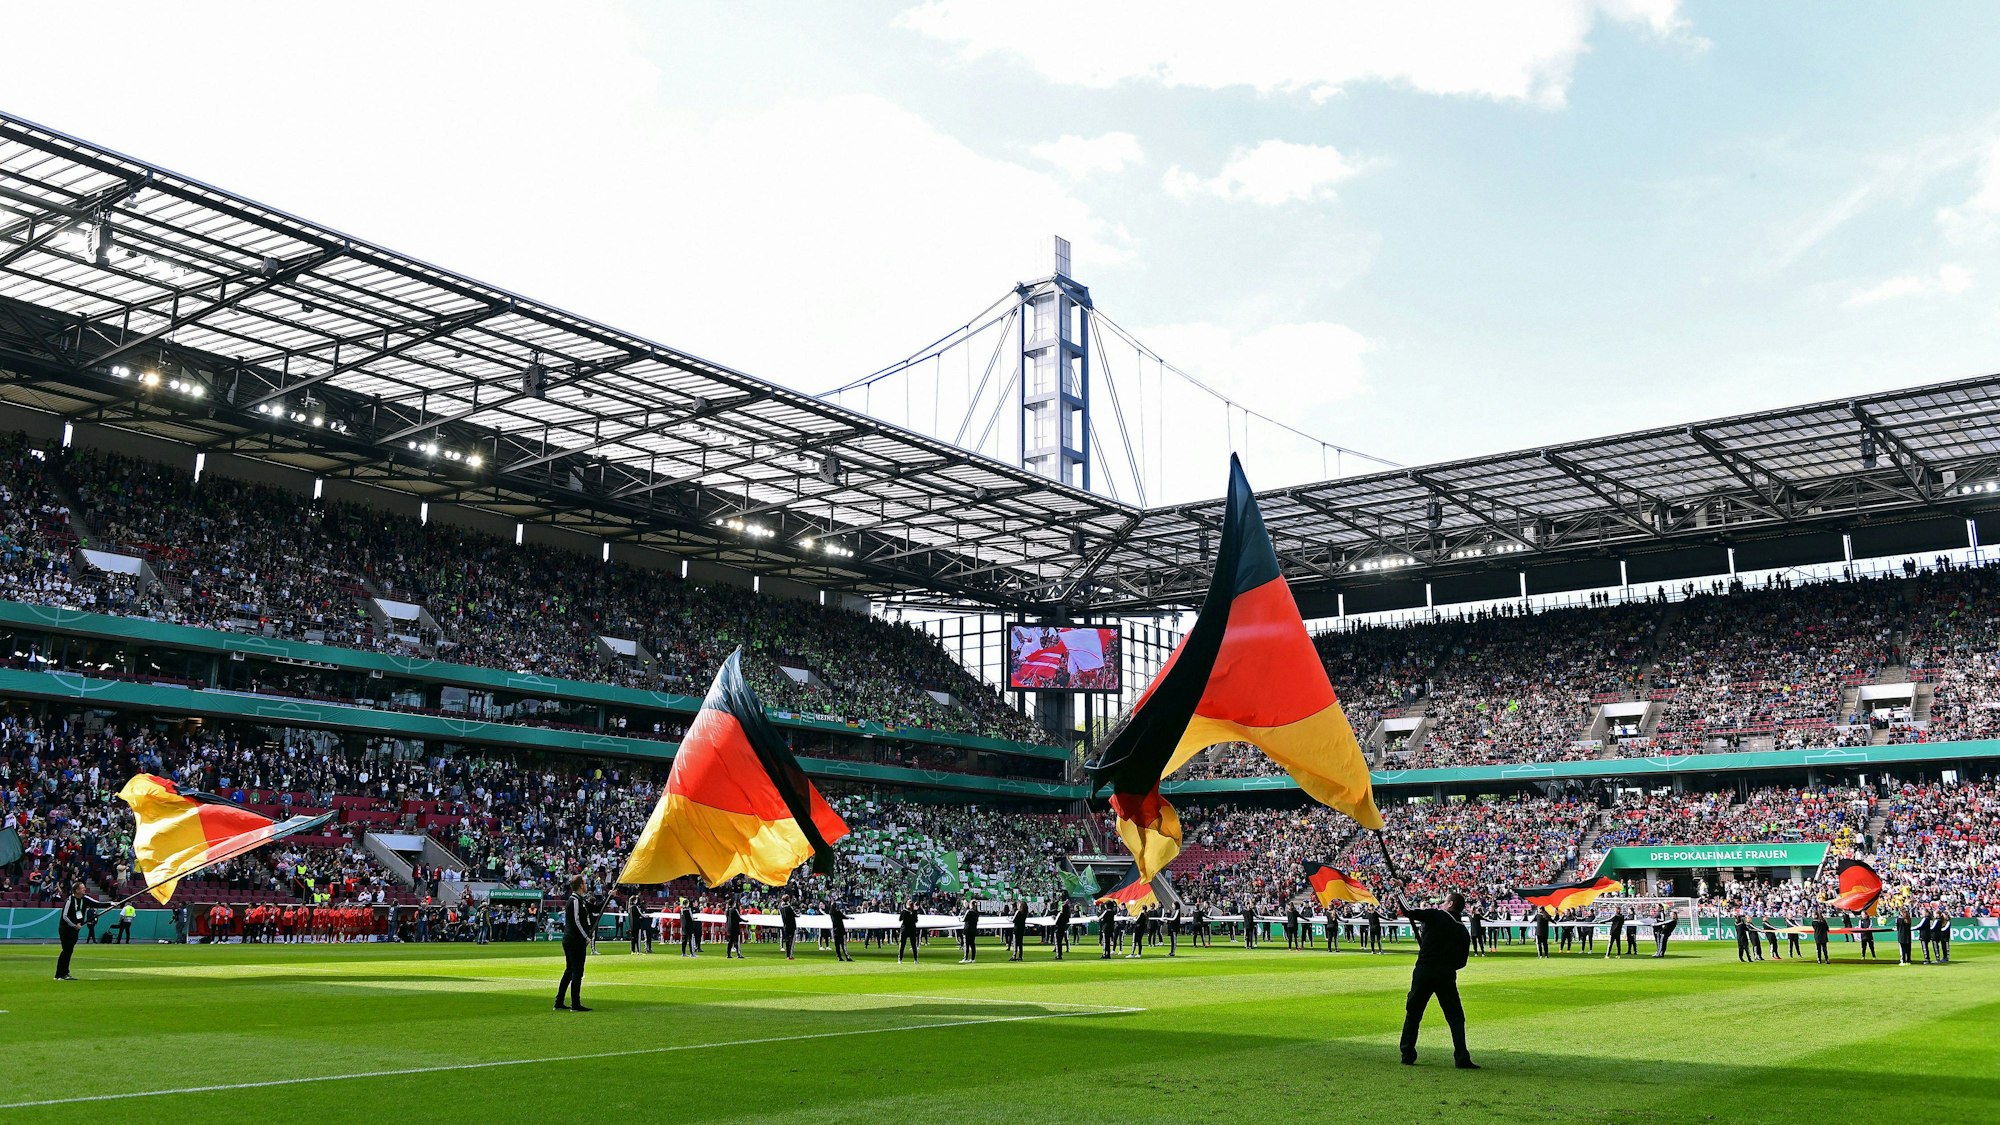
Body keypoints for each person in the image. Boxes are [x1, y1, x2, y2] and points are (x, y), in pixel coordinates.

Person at [1395, 891, 1477, 1070]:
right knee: (1455, 1016)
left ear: (1450, 904)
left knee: (1414, 1013)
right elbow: (1461, 962)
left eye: (1444, 901)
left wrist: (1399, 891)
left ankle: (1407, 1053)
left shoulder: (1437, 916)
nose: (1441, 903)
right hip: (1446, 974)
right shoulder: (1462, 930)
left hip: (1425, 970)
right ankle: (1461, 1056)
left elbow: (1408, 910)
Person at [554, 876, 592, 1012]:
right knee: (577, 972)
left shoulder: (579, 900)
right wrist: (586, 937)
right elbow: (576, 921)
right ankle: (575, 1003)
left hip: (572, 939)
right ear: (580, 885)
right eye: (584, 883)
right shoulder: (574, 900)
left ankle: (559, 1001)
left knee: (569, 971)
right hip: (574, 940)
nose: (586, 885)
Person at [55, 882, 106, 981]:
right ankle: (61, 974)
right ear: (77, 890)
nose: (84, 889)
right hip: (66, 929)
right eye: (82, 888)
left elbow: (97, 903)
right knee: (66, 951)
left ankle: (63, 973)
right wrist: (74, 925)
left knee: (69, 951)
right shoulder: (69, 900)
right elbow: (64, 916)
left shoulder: (85, 899)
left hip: (75, 929)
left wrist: (111, 903)